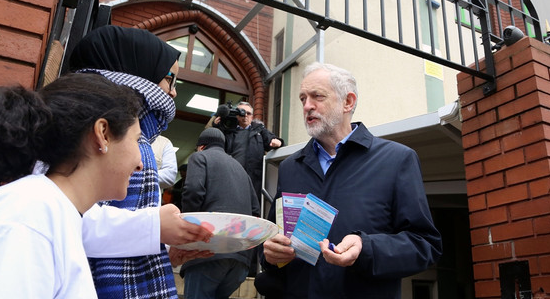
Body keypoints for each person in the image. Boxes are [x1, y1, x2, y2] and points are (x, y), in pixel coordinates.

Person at [0, 73, 143, 298]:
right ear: (103, 133)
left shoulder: (47, 213)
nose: (140, 164)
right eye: (136, 140)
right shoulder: (25, 218)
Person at [259, 62, 442, 299]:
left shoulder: (396, 160)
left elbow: (424, 245)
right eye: (302, 98)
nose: (307, 106)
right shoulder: (290, 167)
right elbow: (274, 239)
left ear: (348, 102)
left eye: (317, 96)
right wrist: (270, 255)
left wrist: (366, 248)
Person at [68, 25, 212, 299]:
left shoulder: (123, 127)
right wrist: (154, 227)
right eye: (171, 79)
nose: (173, 93)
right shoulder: (81, 126)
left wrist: (163, 245)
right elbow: (71, 219)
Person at [180, 128, 260, 299]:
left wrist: (187, 230)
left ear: (201, 146)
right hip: (240, 259)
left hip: (207, 252)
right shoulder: (241, 169)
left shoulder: (200, 157)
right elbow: (255, 211)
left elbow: (193, 191)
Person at [213, 101, 283, 205]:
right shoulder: (228, 130)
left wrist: (278, 142)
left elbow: (272, 140)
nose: (245, 115)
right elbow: (215, 145)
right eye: (241, 112)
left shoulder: (259, 130)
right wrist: (217, 126)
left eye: (248, 113)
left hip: (253, 181)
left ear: (252, 116)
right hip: (230, 177)